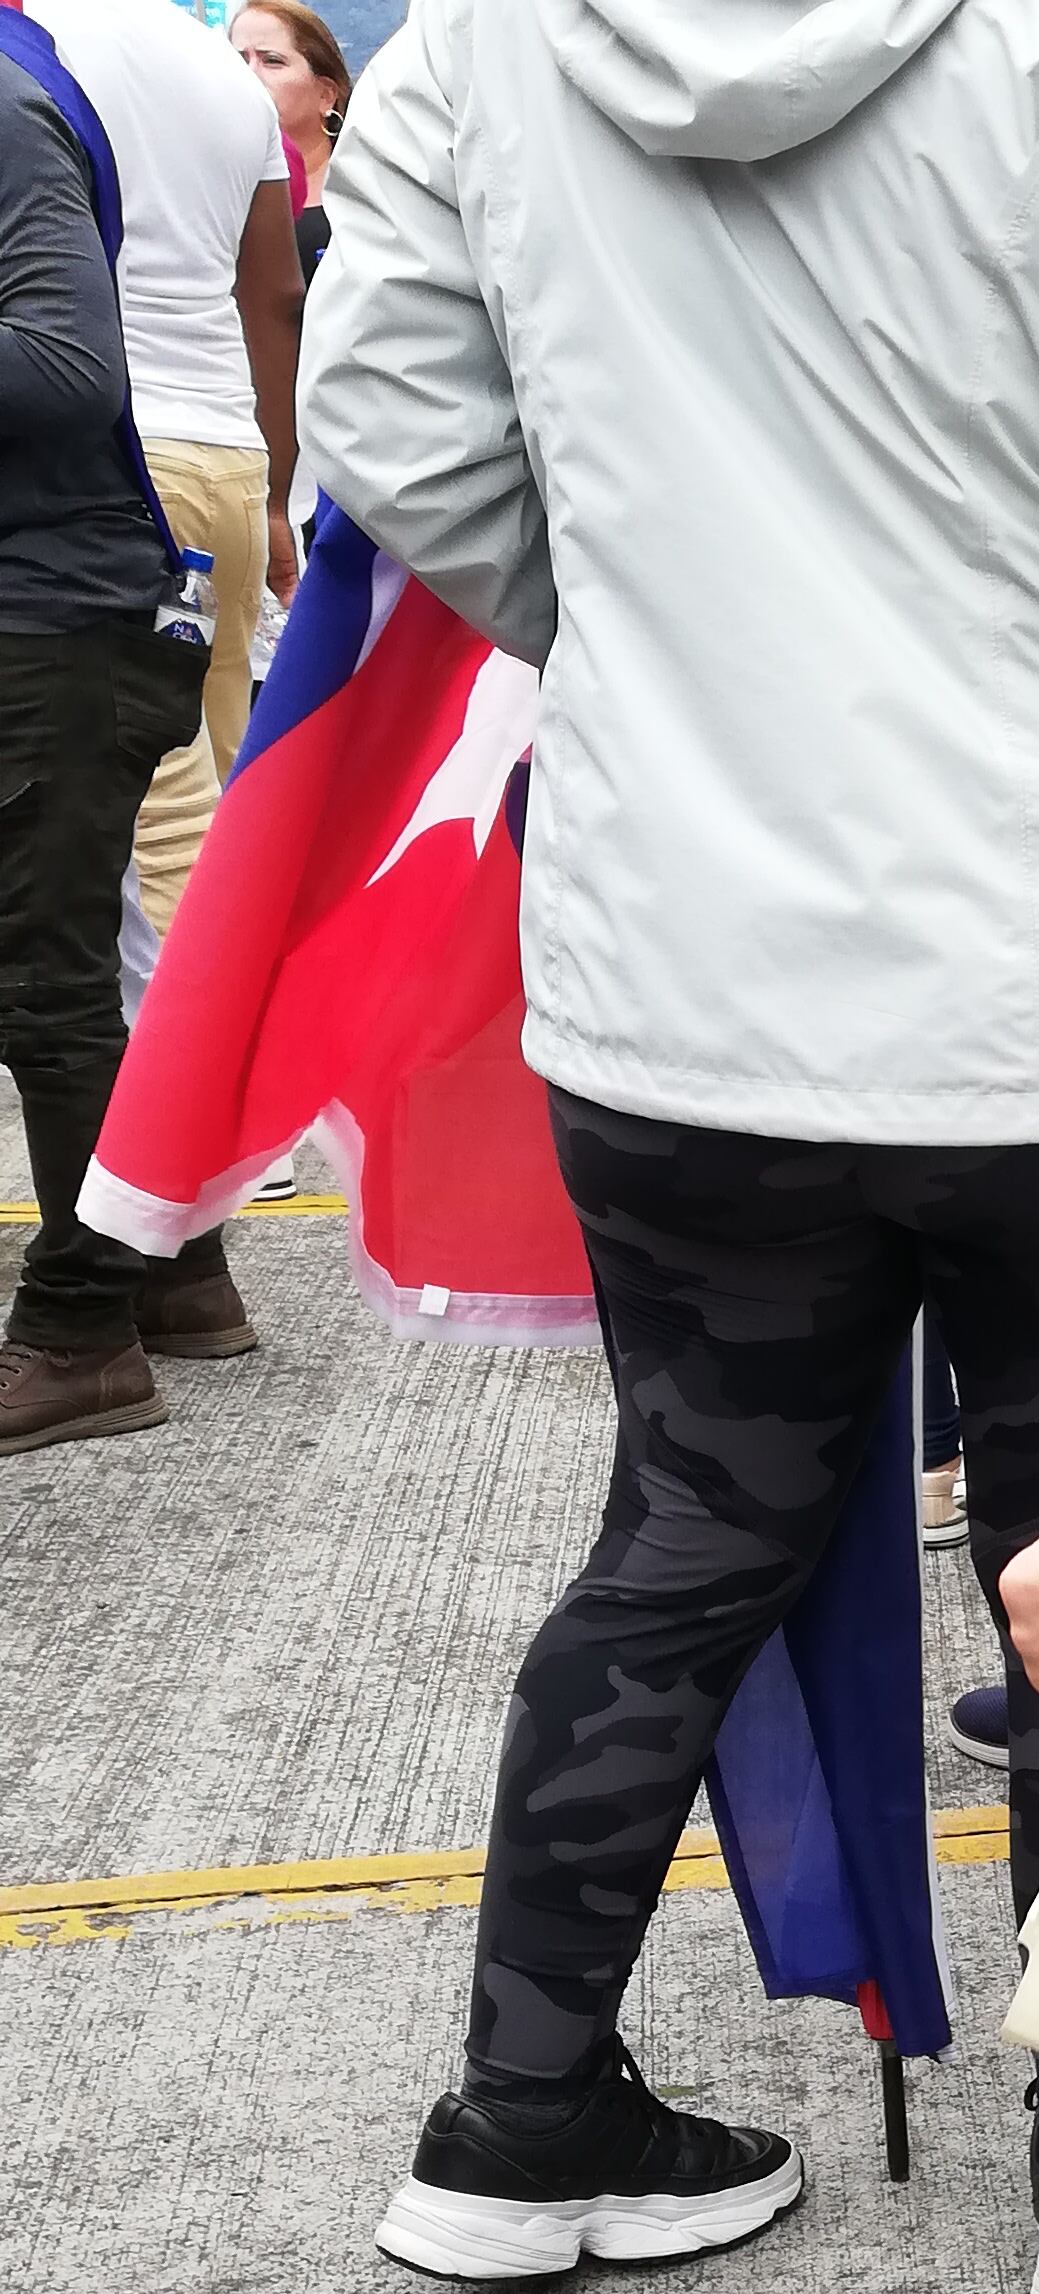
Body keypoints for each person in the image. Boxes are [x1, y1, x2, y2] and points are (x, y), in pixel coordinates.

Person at [306, 0, 1039, 2294]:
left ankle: (521, 2106)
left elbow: (382, 409)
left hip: (681, 979)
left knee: (684, 1531)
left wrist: (659, 640)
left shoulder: (479, 34)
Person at [1, 0, 218, 1452]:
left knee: (45, 985)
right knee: (61, 971)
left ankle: (83, 1332)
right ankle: (179, 1269)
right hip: (62, 604)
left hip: (50, 614)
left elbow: (69, 372)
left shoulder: (5, 106)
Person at [29, 0, 299, 941]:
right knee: (214, 775)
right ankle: (243, 999)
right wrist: (274, 497)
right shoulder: (227, 72)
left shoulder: (39, 46)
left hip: (114, 460)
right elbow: (276, 296)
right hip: (227, 455)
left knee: (152, 811)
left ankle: (193, 1024)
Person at [230, 1, 344, 271]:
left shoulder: (369, 183)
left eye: (271, 61)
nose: (249, 74)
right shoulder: (214, 185)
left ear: (326, 95)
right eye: (238, 60)